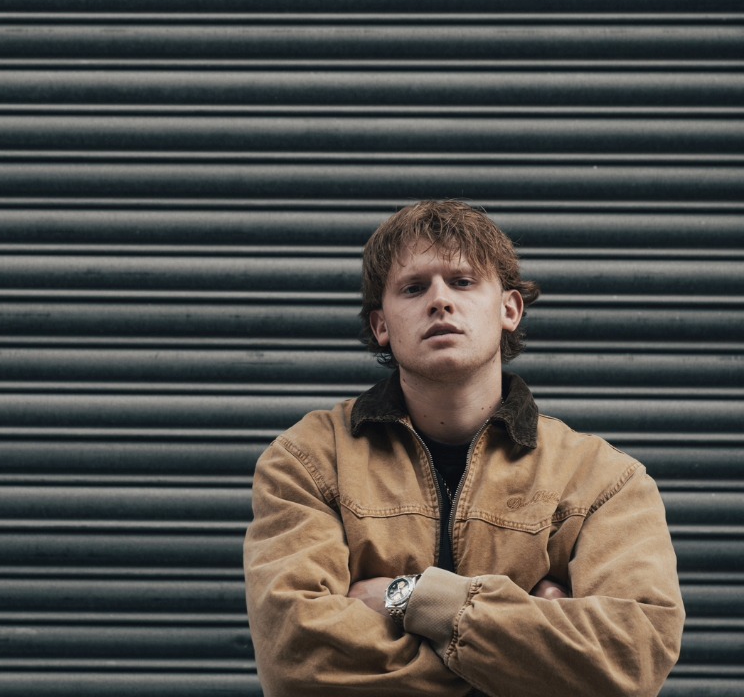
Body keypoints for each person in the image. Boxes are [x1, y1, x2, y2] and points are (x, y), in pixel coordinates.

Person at [244, 200, 685, 697]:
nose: (439, 301)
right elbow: (296, 661)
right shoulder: (309, 459)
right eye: (413, 288)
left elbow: (633, 657)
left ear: (509, 309)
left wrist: (411, 598)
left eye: (463, 281)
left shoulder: (600, 478)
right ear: (381, 326)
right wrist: (531, 643)